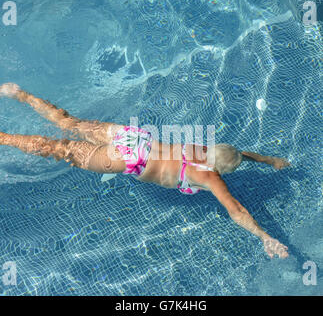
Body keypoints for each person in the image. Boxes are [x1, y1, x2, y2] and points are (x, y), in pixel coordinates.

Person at [0, 83, 291, 259]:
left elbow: (237, 154)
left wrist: (268, 160)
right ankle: (3, 138)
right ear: (221, 171)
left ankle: (21, 94)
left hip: (134, 137)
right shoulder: (210, 175)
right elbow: (237, 210)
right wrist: (265, 236)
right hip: (129, 158)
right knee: (58, 148)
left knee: (69, 123)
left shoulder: (206, 149)